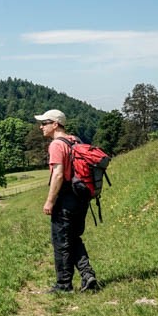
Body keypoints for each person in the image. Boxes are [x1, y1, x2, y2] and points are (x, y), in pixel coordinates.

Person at [36, 109, 99, 293]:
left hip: (66, 199)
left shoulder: (56, 145)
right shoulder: (75, 140)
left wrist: (49, 201)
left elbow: (58, 174)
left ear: (55, 124)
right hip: (82, 197)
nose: (41, 126)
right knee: (73, 238)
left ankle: (64, 285)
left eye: (44, 122)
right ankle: (87, 275)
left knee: (61, 241)